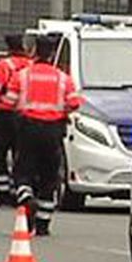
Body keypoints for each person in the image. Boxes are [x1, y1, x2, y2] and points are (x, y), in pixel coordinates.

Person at [11, 35, 82, 235]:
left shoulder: (22, 75)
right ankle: (43, 224)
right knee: (49, 177)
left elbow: (9, 101)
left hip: (28, 129)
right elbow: (75, 103)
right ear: (52, 54)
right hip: (53, 130)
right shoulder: (63, 78)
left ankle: (26, 198)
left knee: (22, 171)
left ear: (34, 52)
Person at [0, 34, 31, 207]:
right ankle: (18, 190)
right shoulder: (31, 65)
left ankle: (3, 192)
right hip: (25, 116)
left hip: (6, 114)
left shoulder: (4, 65)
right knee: (20, 154)